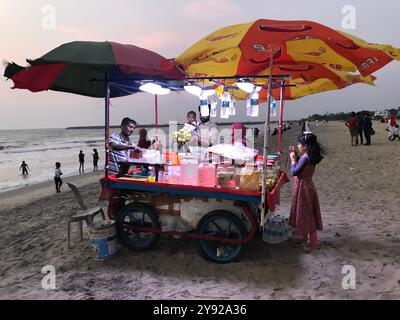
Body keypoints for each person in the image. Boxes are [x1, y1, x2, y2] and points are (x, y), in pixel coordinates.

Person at [288, 133, 323, 253]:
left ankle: (313, 243)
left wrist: (293, 160)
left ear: (305, 146)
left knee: (307, 215)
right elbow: (301, 166)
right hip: (306, 186)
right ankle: (304, 237)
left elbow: (294, 172)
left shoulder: (306, 158)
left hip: (304, 188)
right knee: (303, 213)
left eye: (299, 144)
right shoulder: (308, 157)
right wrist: (296, 157)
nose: (298, 145)